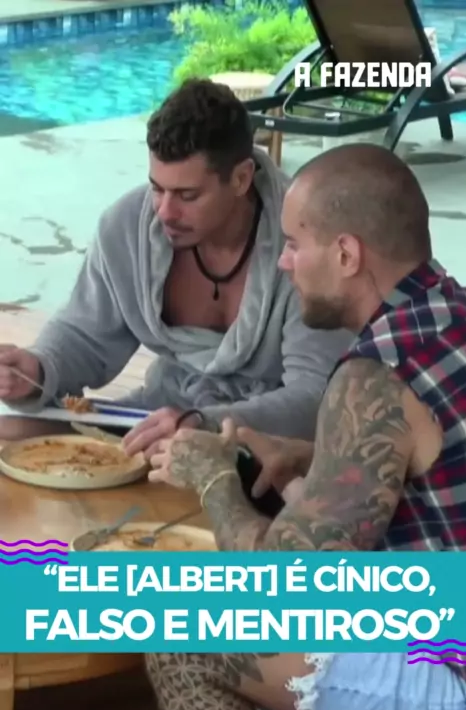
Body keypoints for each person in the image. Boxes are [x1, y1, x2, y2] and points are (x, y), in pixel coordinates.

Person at [143, 144, 466, 710]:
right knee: (367, 550)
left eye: (296, 244)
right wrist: (316, 460)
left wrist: (212, 477)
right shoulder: (459, 311)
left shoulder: (377, 374)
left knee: (184, 631)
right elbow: (433, 479)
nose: (284, 263)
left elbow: (285, 587)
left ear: (347, 254)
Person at [0, 78, 351, 452]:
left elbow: (316, 396)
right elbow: (85, 334)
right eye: (157, 188)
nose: (165, 212)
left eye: (188, 195)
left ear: (241, 178)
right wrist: (38, 368)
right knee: (13, 432)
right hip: (167, 410)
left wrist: (204, 425)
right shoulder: (127, 228)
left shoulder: (303, 242)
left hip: (271, 436)